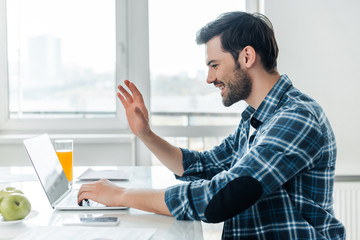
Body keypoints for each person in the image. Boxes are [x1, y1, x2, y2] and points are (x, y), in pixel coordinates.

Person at [78, 11, 346, 239]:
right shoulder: (255, 118)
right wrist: (145, 134)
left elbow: (220, 198)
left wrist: (121, 195)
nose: (209, 78)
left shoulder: (296, 118)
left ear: (247, 57)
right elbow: (203, 166)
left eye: (215, 65)